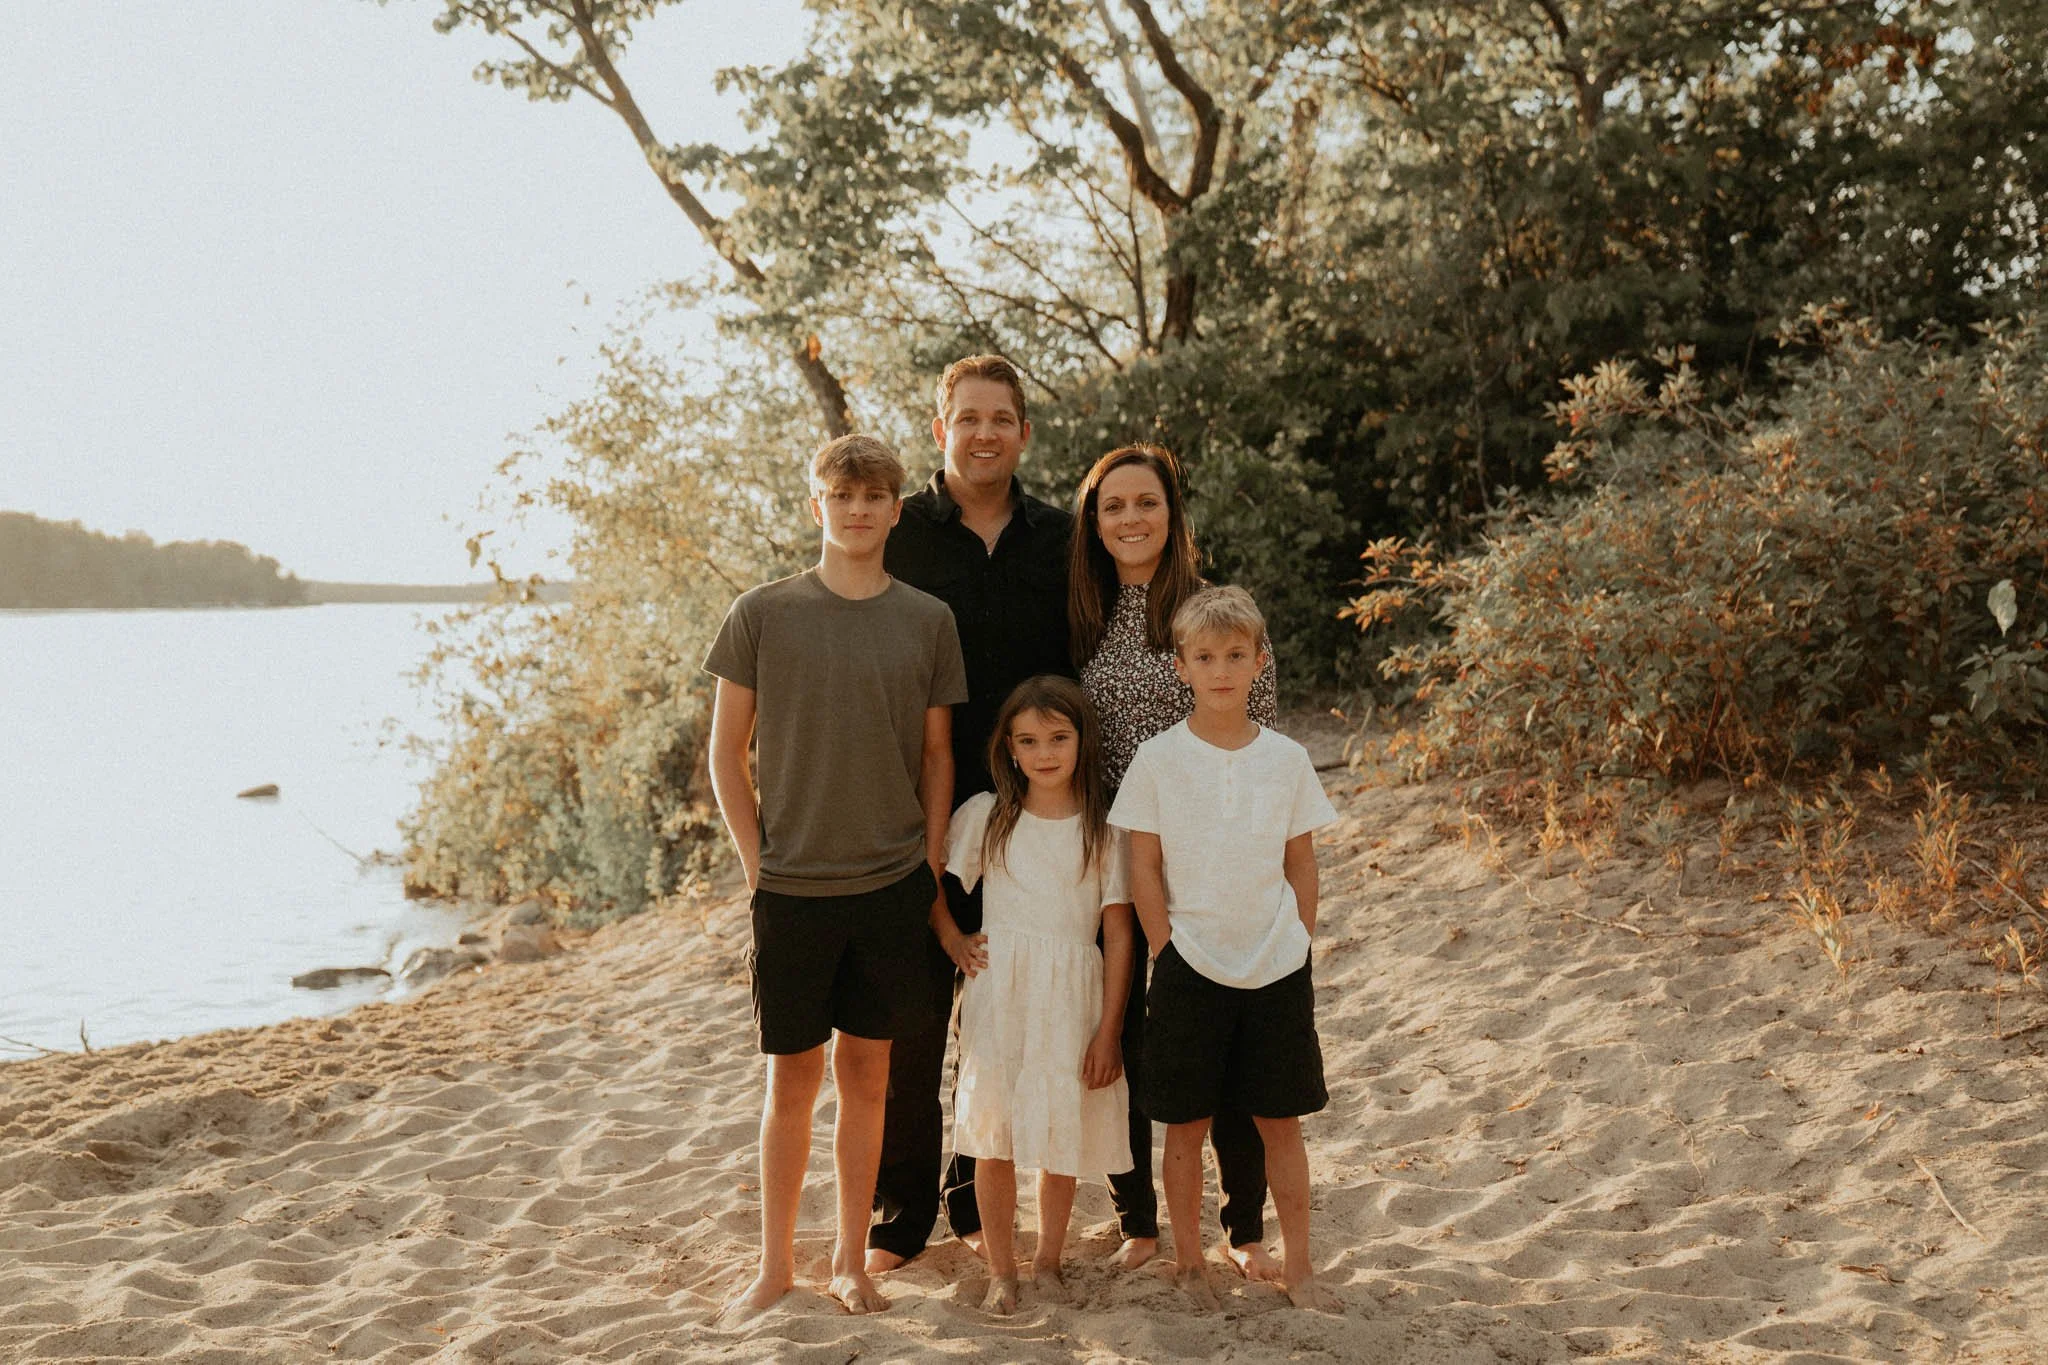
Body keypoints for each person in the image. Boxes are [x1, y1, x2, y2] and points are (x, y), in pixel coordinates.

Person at [704, 434, 968, 1317]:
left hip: (890, 887)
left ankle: (850, 1260)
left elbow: (939, 756)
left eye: (875, 496)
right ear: (816, 506)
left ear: (898, 509)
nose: (857, 509)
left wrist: (927, 865)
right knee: (790, 1086)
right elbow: (724, 753)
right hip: (792, 891)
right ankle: (776, 1265)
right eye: (841, 495)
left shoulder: (929, 619)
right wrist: (756, 865)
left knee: (870, 1083)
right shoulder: (761, 613)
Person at [870, 355, 1074, 1271]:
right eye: (968, 417)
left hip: (1037, 811)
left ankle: (969, 1194)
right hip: (921, 803)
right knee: (914, 1011)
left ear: (1024, 432)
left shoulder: (1064, 538)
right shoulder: (897, 533)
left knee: (997, 1007)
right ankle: (901, 1214)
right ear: (939, 428)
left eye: (1002, 417)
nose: (985, 431)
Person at [1068, 443, 1280, 1277]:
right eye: (1112, 505)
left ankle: (1246, 1226)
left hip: (1208, 854)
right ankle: (1138, 1222)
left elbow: (1263, 730)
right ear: (1095, 519)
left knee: (1223, 1038)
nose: (1129, 519)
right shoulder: (1077, 612)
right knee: (1119, 1029)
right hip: (1108, 856)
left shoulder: (1213, 614)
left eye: (1145, 502)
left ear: (1171, 512)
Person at [1110, 586, 1341, 1313]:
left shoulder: (1287, 758)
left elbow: (1300, 859)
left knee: (1281, 1122)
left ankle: (1299, 1266)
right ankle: (1188, 1261)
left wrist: (1297, 936)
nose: (1220, 669)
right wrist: (1165, 947)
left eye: (1235, 655)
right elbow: (1142, 864)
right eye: (1204, 656)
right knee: (1185, 1125)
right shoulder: (1156, 759)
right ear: (1180, 666)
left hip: (1276, 964)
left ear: (1258, 662)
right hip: (1189, 966)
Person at [935, 676, 1136, 1314]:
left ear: (1082, 741)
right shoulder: (986, 816)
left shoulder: (1106, 830)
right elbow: (930, 882)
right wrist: (953, 941)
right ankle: (1002, 1268)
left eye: (1058, 737)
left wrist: (1110, 1031)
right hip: (1000, 991)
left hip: (1073, 995)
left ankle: (1048, 1259)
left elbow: (1120, 935)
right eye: (1028, 740)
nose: (1044, 752)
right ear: (1010, 750)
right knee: (995, 1131)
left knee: (1057, 1128)